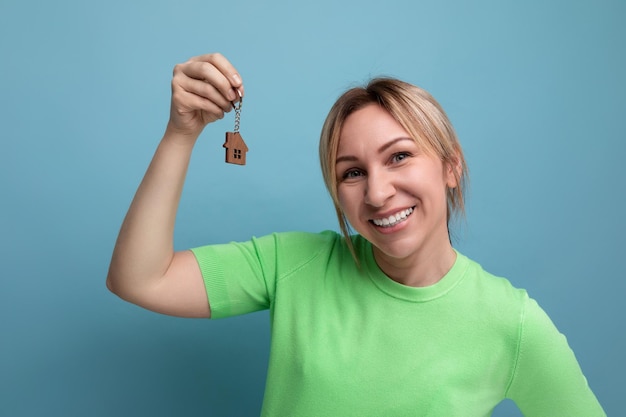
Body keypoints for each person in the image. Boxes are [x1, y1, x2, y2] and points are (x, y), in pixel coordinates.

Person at [107, 53, 606, 416]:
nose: (378, 192)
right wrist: (181, 133)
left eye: (399, 156)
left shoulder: (512, 323)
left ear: (450, 167)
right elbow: (140, 279)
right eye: (352, 172)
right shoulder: (294, 264)